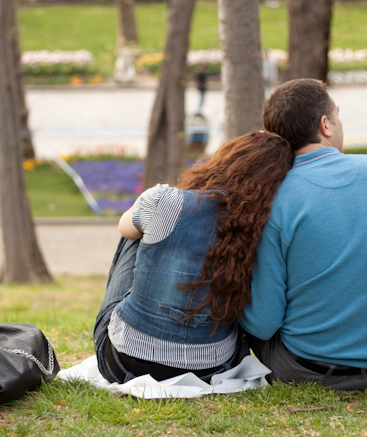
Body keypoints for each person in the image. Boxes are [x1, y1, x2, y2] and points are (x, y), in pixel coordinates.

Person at [240, 78, 367, 392]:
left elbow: (263, 323)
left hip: (299, 371)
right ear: (326, 125)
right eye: (338, 115)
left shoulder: (272, 196)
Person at [94, 132, 295, 384]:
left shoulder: (166, 201)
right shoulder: (264, 231)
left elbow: (124, 228)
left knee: (136, 228)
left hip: (124, 363)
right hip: (212, 370)